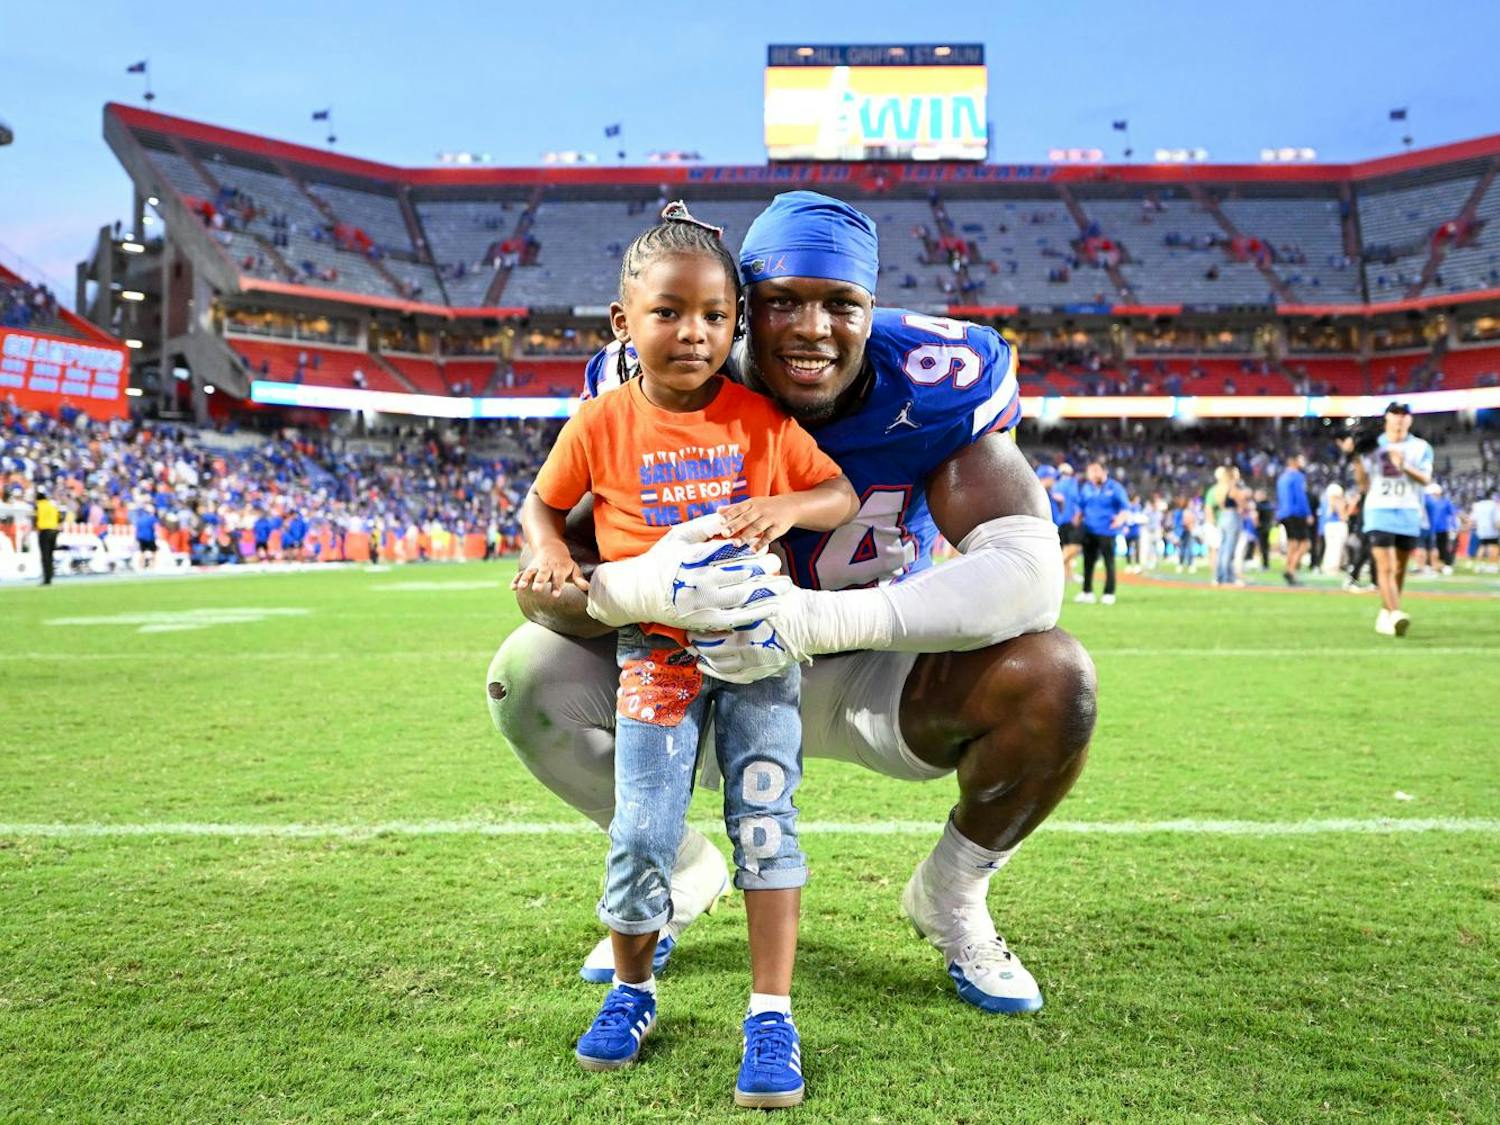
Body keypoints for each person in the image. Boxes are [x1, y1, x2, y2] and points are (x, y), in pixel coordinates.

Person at [487, 191, 1094, 1029]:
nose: (812, 328)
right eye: (782, 304)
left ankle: (953, 897)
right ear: (744, 312)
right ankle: (680, 870)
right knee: (525, 675)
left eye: (841, 304)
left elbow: (1030, 576)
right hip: (699, 669)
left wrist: (811, 620)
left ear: (871, 311)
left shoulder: (935, 380)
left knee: (1056, 678)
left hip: (872, 668)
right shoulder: (664, 381)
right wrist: (626, 587)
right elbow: (561, 575)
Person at [513, 203, 858, 1103]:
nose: (693, 333)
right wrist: (549, 548)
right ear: (624, 323)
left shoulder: (758, 421)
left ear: (736, 324)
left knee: (766, 825)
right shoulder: (600, 423)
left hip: (757, 656)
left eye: (714, 315)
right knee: (641, 831)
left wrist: (785, 508)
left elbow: (836, 490)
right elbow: (543, 504)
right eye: (668, 312)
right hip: (654, 658)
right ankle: (633, 992)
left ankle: (771, 1013)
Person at [1353, 403, 1433, 636]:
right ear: (1387, 418)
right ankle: (1397, 612)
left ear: (1410, 420)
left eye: (1404, 415)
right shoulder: (1373, 446)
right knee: (1385, 566)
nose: (1399, 419)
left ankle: (1386, 613)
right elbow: (1363, 484)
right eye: (1395, 414)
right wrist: (1357, 460)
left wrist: (1404, 466)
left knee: (1399, 569)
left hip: (1408, 511)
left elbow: (1426, 479)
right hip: (1379, 510)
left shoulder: (1421, 447)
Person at [1075, 461, 1128, 604]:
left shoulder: (1115, 488)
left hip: (1107, 531)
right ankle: (1087, 592)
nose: (1092, 474)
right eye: (1090, 471)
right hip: (1089, 530)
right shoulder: (1087, 488)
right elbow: (1080, 507)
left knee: (1109, 563)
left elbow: (1125, 508)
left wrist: (1120, 520)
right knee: (1087, 563)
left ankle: (1109, 593)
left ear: (1104, 471)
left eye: (1095, 470)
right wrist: (1076, 521)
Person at [1276, 452, 1312, 585]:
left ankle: (1289, 569)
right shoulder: (1297, 476)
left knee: (1292, 543)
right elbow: (1301, 496)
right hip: (1296, 513)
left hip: (1284, 513)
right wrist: (1307, 513)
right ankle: (1291, 571)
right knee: (1304, 543)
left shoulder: (1282, 478)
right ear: (1294, 462)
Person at [1319, 482, 1349, 576]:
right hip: (1337, 526)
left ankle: (1327, 567)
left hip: (1328, 526)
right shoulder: (1337, 499)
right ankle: (1333, 568)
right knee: (1336, 548)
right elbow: (1342, 516)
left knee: (1330, 548)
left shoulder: (1324, 499)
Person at [34, 485, 60, 585]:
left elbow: (36, 518)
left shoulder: (38, 505)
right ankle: (51, 574)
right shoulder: (52, 505)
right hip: (54, 530)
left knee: (45, 556)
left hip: (44, 530)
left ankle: (47, 578)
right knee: (50, 554)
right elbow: (58, 517)